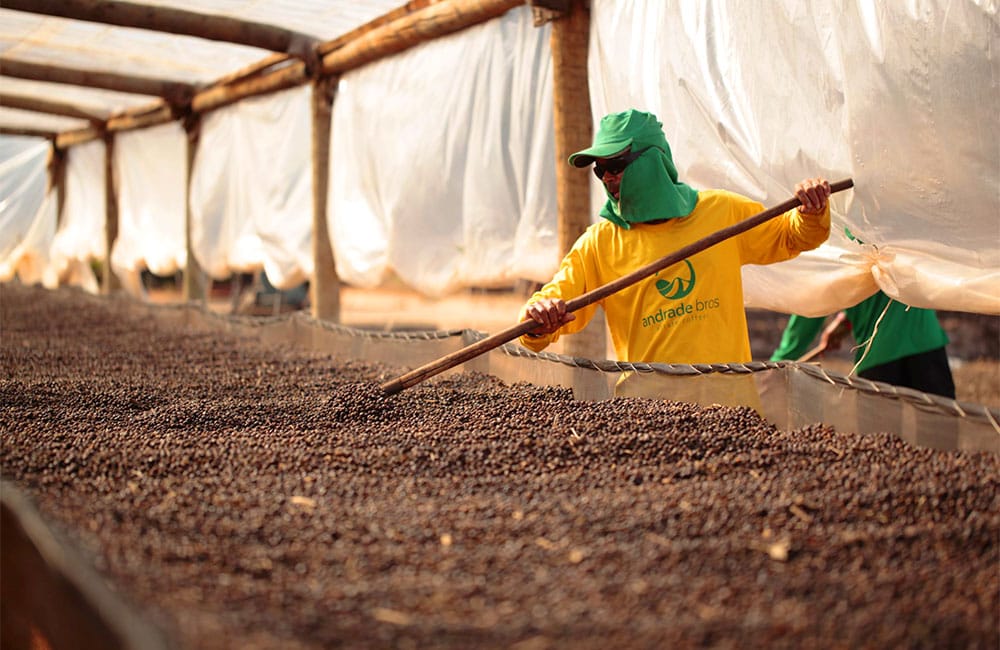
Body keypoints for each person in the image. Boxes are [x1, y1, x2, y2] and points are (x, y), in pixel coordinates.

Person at [517, 108, 832, 370]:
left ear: (653, 160)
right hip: (647, 417)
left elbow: (791, 236)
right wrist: (539, 317)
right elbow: (547, 309)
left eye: (616, 166)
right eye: (601, 171)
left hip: (730, 408)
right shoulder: (599, 244)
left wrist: (811, 209)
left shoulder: (721, 212)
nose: (608, 178)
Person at [770, 290, 956, 399]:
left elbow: (810, 303)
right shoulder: (901, 225)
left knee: (882, 451)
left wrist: (775, 367)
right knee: (941, 442)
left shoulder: (838, 236)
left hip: (879, 354)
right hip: (924, 340)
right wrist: (847, 319)